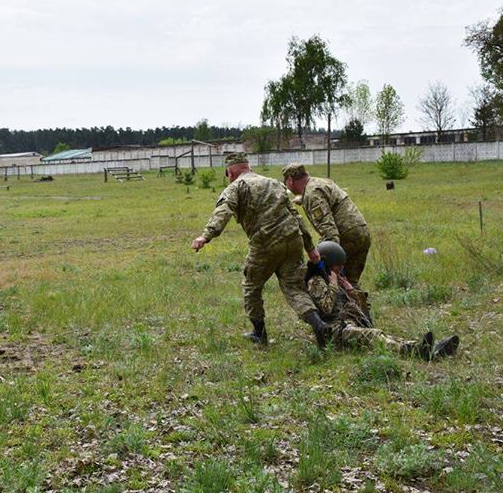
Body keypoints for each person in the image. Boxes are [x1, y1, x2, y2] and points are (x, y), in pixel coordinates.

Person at [192, 152, 331, 346]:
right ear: (248, 167)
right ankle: (319, 326)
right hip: (292, 239)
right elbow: (295, 215)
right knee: (294, 288)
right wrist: (310, 247)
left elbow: (223, 210)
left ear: (230, 172)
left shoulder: (237, 186)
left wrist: (205, 236)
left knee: (251, 287)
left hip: (265, 244)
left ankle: (259, 333)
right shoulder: (274, 183)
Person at [307, 241, 459, 359]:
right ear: (328, 265)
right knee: (373, 336)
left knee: (383, 336)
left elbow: (364, 313)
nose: (341, 269)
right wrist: (333, 285)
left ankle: (427, 350)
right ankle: (416, 351)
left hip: (348, 326)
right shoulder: (316, 282)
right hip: (334, 333)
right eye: (337, 266)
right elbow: (326, 308)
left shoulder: (338, 281)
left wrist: (352, 292)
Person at [282, 163, 371, 286]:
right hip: (362, 233)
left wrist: (322, 261)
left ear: (290, 180)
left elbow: (330, 232)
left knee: (333, 283)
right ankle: (359, 304)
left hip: (346, 237)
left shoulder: (312, 195)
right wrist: (303, 199)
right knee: (350, 283)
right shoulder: (320, 182)